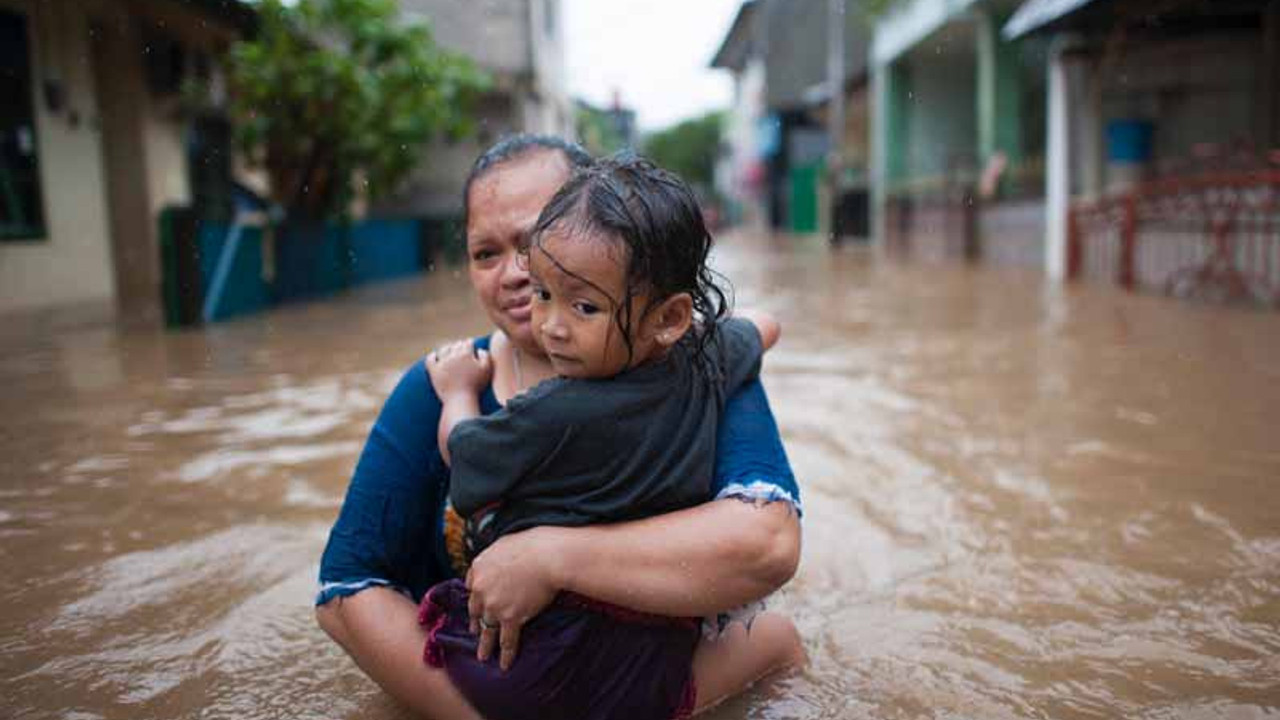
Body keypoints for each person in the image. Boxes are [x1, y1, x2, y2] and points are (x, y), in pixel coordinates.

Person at [315, 135, 804, 720]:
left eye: (535, 241)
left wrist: (550, 558)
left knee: (778, 641)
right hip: (520, 695)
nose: (515, 274)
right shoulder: (437, 382)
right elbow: (347, 587)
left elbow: (765, 544)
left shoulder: (696, 366)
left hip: (641, 678)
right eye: (485, 253)